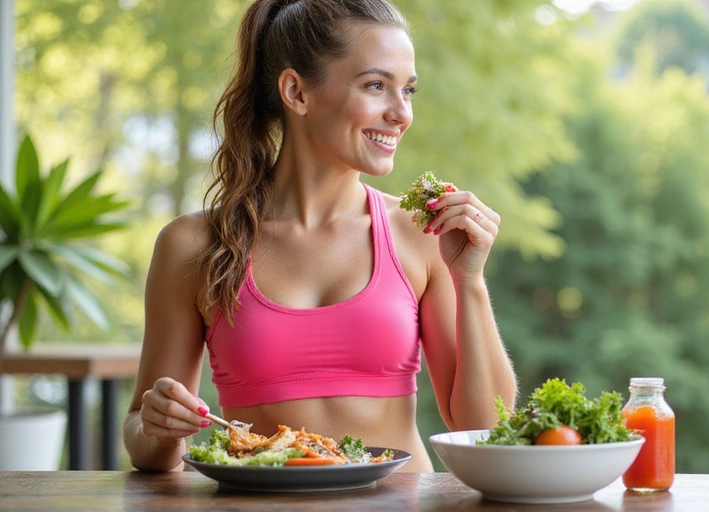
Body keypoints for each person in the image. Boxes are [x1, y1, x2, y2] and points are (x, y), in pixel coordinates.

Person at [123, 0, 517, 473]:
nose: (401, 114)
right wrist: (160, 423)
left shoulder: (421, 234)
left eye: (407, 91)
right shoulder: (194, 244)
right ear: (297, 92)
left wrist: (469, 280)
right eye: (376, 86)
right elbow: (144, 445)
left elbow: (487, 432)